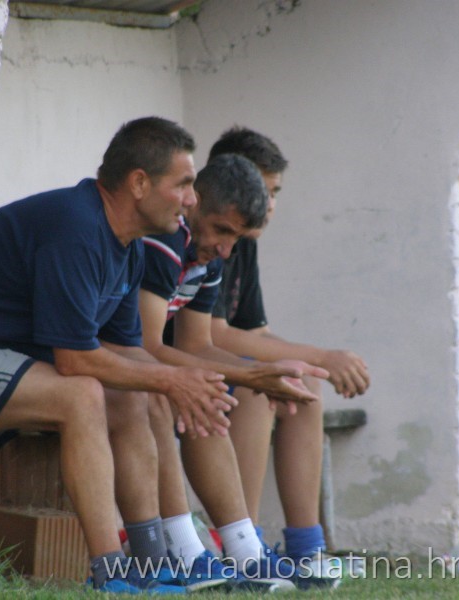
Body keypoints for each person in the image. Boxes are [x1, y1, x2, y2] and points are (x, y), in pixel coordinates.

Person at [0, 116, 238, 594]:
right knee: (83, 394)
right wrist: (172, 379)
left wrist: (191, 385)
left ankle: (152, 564)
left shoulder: (128, 246)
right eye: (183, 184)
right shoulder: (77, 226)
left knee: (134, 394)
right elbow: (74, 360)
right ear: (139, 183)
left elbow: (126, 348)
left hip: (11, 362)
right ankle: (109, 572)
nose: (193, 199)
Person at [139, 152, 331, 590]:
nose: (226, 249)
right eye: (222, 230)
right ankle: (190, 551)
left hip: (141, 364)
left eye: (237, 238)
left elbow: (196, 343)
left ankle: (249, 550)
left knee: (213, 390)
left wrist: (266, 370)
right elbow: (146, 347)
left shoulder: (210, 257)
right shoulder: (165, 244)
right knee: (195, 393)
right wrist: (247, 375)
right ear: (194, 199)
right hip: (102, 362)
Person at [206, 127, 370, 576]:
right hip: (181, 365)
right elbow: (214, 336)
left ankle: (306, 548)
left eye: (275, 193)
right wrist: (320, 356)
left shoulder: (244, 244)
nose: (270, 204)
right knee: (260, 386)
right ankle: (244, 547)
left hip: (214, 366)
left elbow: (255, 332)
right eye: (264, 190)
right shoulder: (210, 237)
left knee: (303, 383)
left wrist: (314, 363)